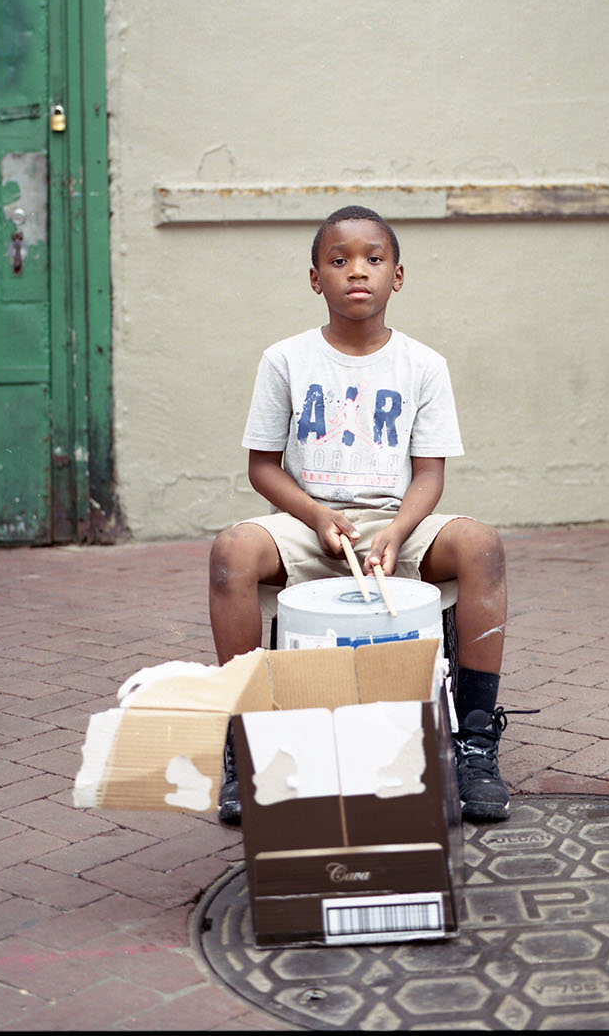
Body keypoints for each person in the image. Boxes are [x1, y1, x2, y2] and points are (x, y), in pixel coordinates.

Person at [208, 204, 511, 825]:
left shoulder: (423, 365)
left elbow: (429, 473)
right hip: (307, 519)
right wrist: (315, 514)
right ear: (315, 277)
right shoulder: (286, 360)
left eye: (374, 259)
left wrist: (399, 529)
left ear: (397, 276)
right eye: (339, 260)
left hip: (394, 518)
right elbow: (262, 466)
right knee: (231, 551)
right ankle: (246, 746)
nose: (357, 272)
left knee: (481, 545)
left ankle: (475, 741)